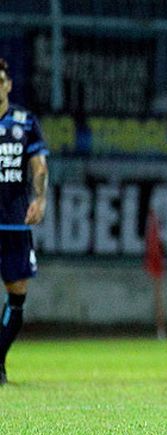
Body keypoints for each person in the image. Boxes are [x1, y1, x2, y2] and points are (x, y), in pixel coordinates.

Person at [0, 58, 50, 385]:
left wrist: (40, 197)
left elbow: (39, 165)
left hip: (13, 222)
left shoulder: (24, 121)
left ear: (8, 85)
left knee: (17, 297)